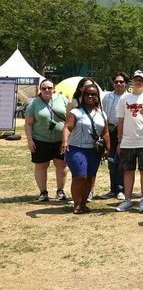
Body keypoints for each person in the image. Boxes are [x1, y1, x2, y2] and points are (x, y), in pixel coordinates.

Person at [61, 82, 110, 214]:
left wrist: (107, 148)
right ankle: (77, 204)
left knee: (90, 177)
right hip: (76, 148)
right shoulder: (75, 112)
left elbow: (105, 132)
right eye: (87, 94)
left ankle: (83, 203)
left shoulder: (102, 114)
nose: (90, 96)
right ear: (83, 96)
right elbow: (67, 127)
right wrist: (65, 141)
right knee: (80, 176)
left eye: (94, 94)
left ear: (97, 97)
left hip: (93, 151)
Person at [116, 70, 143, 213]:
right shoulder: (124, 99)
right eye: (136, 79)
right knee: (128, 171)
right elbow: (120, 121)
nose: (138, 82)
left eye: (141, 80)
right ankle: (127, 200)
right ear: (132, 82)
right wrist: (119, 141)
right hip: (127, 141)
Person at [24, 79, 68, 202]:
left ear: (53, 88)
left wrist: (68, 138)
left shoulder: (62, 99)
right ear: (40, 90)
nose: (47, 90)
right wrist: (30, 140)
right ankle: (43, 192)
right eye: (44, 88)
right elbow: (28, 124)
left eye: (49, 88)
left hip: (61, 140)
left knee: (61, 164)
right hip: (40, 140)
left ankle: (60, 191)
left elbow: (69, 118)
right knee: (41, 166)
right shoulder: (34, 104)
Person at [99, 72, 128, 200]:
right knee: (111, 160)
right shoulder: (107, 97)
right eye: (116, 82)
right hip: (109, 129)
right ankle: (112, 189)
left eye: (121, 82)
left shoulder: (129, 97)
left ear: (126, 84)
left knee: (122, 160)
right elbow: (103, 114)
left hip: (124, 130)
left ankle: (121, 189)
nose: (119, 84)